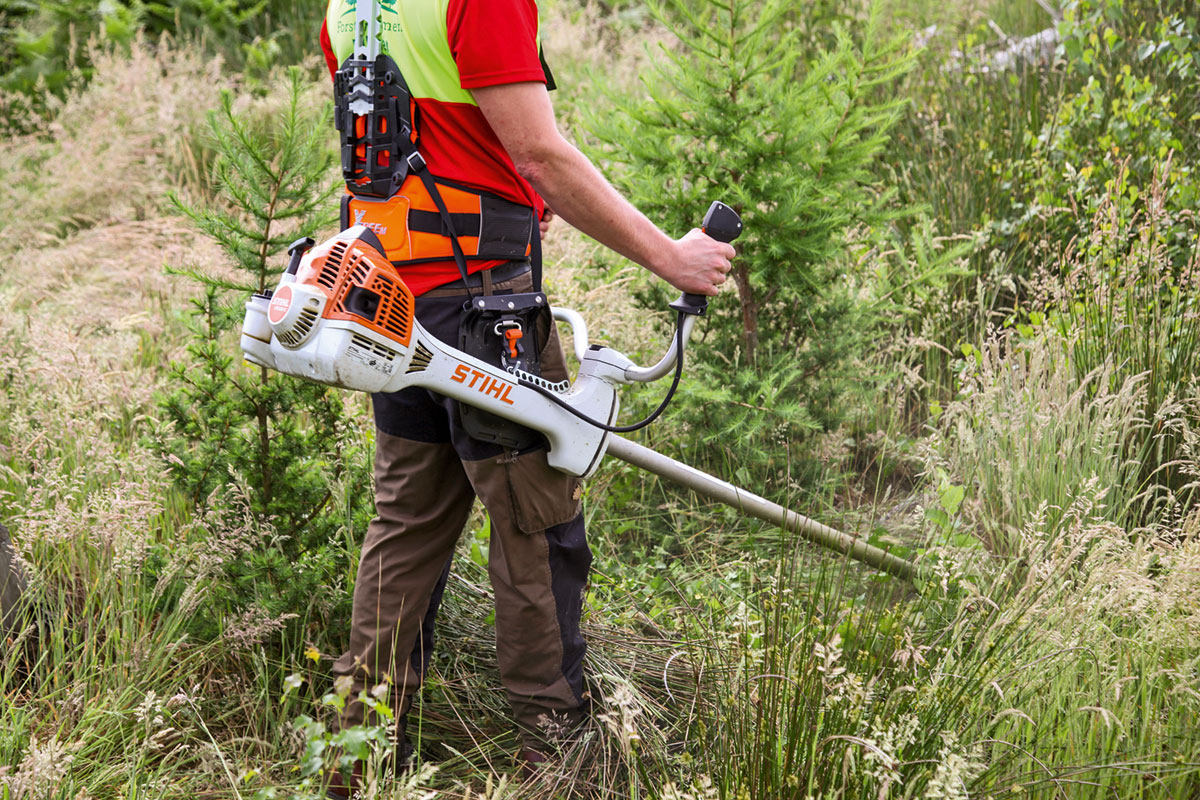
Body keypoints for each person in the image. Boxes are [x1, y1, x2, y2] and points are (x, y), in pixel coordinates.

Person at [317, 0, 734, 793]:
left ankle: (355, 760)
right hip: (487, 312)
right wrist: (671, 258)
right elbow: (539, 154)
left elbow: (394, 141)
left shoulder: (352, 3)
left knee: (403, 529)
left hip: (391, 305)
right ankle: (555, 761)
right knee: (534, 531)